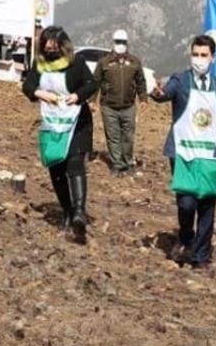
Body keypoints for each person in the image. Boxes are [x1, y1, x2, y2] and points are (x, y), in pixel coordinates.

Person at [151, 34, 216, 272]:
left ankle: (201, 257)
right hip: (183, 153)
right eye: (195, 54)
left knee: (207, 205)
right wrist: (156, 92)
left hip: (209, 156)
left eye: (203, 55)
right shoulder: (181, 80)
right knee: (186, 203)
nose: (198, 59)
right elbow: (164, 93)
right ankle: (186, 237)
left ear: (213, 57)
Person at [23, 27, 98, 242]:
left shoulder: (77, 63)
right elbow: (27, 85)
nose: (50, 52)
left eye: (54, 48)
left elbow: (92, 84)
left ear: (63, 46)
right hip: (53, 123)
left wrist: (77, 96)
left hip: (77, 123)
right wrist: (39, 93)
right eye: (47, 48)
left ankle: (79, 212)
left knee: (75, 164)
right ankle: (66, 211)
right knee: (56, 167)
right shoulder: (40, 64)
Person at [97, 29, 147, 176]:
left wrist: (143, 98)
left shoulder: (134, 62)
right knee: (113, 136)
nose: (120, 45)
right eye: (118, 42)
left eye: (123, 42)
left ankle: (127, 162)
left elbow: (140, 81)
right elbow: (96, 81)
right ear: (113, 43)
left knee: (128, 136)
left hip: (129, 106)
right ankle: (117, 165)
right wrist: (92, 101)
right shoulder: (104, 62)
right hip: (109, 106)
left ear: (127, 43)